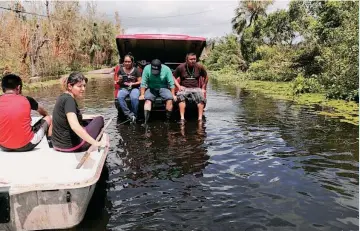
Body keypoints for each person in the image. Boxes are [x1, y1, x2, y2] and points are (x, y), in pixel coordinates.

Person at [51, 72, 106, 152]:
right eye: (79, 86)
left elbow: (57, 118)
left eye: (84, 86)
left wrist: (49, 136)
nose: (83, 89)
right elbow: (74, 126)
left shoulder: (62, 97)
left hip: (57, 145)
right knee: (99, 119)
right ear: (70, 86)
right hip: (71, 146)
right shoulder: (69, 100)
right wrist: (96, 143)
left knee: (90, 120)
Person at [0, 74, 52, 151]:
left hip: (3, 146)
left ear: (3, 88)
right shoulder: (27, 99)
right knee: (49, 118)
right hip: (27, 144)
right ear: (18, 87)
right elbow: (43, 112)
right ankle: (51, 144)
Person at [173, 52, 209, 124]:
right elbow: (173, 77)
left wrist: (203, 87)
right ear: (186, 60)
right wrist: (179, 86)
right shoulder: (181, 67)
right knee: (180, 97)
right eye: (191, 59)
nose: (193, 61)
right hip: (184, 88)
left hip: (196, 88)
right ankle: (182, 118)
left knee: (201, 98)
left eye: (194, 59)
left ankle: (200, 119)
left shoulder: (199, 67)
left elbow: (206, 76)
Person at [139, 59, 176, 124]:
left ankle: (167, 120)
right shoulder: (147, 68)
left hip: (163, 88)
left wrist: (173, 95)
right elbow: (143, 83)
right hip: (151, 88)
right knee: (147, 101)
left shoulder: (166, 69)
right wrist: (142, 94)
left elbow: (171, 83)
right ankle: (146, 121)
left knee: (170, 99)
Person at [115, 54, 142, 122]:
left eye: (128, 61)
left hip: (134, 88)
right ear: (123, 62)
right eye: (125, 61)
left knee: (134, 98)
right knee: (119, 96)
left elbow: (140, 81)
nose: (127, 63)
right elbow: (118, 82)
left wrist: (133, 83)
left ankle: (134, 114)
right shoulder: (120, 70)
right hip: (124, 88)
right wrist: (119, 81)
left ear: (132, 62)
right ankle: (128, 114)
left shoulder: (136, 70)